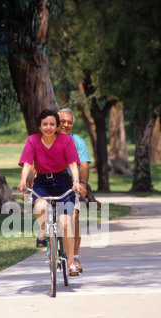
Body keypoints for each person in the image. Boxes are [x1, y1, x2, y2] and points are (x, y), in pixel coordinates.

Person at [17, 108, 81, 276]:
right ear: (39, 126)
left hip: (64, 183)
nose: (48, 127)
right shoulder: (32, 141)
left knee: (66, 223)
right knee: (40, 208)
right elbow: (27, 164)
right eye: (45, 124)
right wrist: (24, 182)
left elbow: (73, 163)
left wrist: (76, 181)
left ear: (57, 126)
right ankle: (44, 232)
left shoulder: (66, 140)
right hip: (42, 183)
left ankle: (72, 264)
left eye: (52, 124)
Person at [58, 108, 91, 273]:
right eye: (62, 121)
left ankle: (75, 257)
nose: (65, 125)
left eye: (69, 122)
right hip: (52, 184)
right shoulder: (48, 139)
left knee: (74, 218)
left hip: (72, 185)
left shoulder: (77, 141)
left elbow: (84, 164)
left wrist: (83, 184)